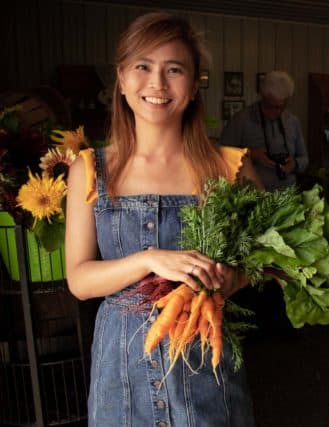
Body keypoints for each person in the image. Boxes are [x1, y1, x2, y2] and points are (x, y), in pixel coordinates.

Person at [64, 12, 260, 426]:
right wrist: (150, 259)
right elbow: (79, 281)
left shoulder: (229, 168)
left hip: (205, 364)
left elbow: (264, 262)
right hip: (121, 372)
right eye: (143, 66)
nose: (157, 84)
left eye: (174, 70)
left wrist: (231, 280)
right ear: (120, 78)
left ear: (193, 85)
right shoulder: (91, 168)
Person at [220, 70, 309, 192]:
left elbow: (304, 158)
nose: (276, 112)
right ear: (262, 96)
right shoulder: (240, 120)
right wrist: (250, 153)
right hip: (252, 198)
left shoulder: (293, 122)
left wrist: (295, 164)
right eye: (271, 106)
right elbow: (221, 155)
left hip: (288, 196)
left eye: (281, 107)